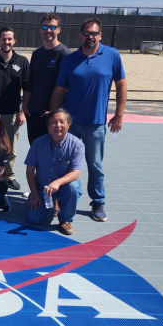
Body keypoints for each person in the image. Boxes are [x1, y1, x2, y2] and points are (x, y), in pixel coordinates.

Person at [50, 17, 126, 223]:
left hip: (96, 124)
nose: (90, 36)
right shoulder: (70, 60)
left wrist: (119, 114)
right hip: (70, 125)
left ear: (100, 35)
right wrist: (53, 116)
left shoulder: (112, 55)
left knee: (95, 165)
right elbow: (59, 90)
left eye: (94, 33)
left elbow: (121, 86)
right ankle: (59, 200)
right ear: (80, 35)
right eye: (87, 33)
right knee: (63, 163)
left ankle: (98, 203)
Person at [25, 109, 84, 235]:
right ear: (48, 126)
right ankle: (52, 208)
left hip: (64, 186)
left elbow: (75, 172)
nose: (58, 126)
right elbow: (30, 170)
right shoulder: (38, 143)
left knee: (74, 187)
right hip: (43, 188)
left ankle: (66, 219)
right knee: (32, 218)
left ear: (69, 125)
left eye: (62, 122)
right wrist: (35, 194)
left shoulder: (77, 145)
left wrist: (58, 182)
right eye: (53, 122)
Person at [0, 27, 29, 191]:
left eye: (9, 39)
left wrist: (23, 111)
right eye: (3, 39)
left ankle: (9, 176)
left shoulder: (22, 62)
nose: (6, 42)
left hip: (13, 114)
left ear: (14, 41)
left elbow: (27, 89)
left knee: (10, 149)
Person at [22, 13, 70, 146]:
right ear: (40, 29)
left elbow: (67, 87)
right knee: (35, 150)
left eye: (52, 27)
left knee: (50, 153)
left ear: (58, 29)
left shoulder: (64, 54)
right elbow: (30, 83)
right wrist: (25, 107)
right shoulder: (36, 54)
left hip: (51, 115)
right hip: (33, 113)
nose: (48, 30)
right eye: (45, 27)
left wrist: (55, 110)